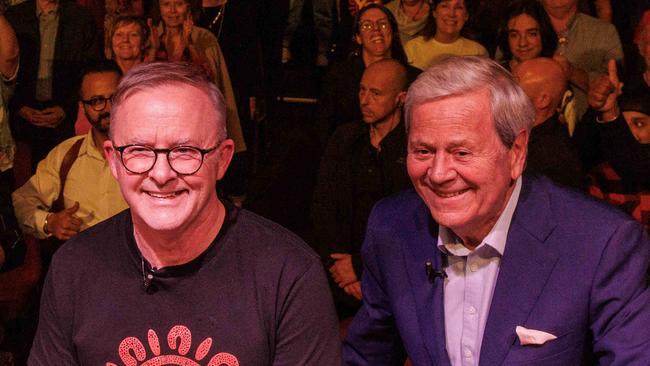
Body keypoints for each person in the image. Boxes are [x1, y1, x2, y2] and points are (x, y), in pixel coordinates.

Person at [343, 56, 650, 365]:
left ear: (516, 152)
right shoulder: (392, 227)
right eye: (423, 151)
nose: (437, 174)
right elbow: (366, 356)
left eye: (461, 152)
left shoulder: (603, 243)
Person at [28, 62, 340, 364]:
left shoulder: (289, 275)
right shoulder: (74, 268)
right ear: (113, 160)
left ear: (222, 159)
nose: (161, 173)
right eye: (139, 150)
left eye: (185, 151)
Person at [312, 59, 412, 318]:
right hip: (339, 272)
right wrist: (343, 269)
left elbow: (408, 221)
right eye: (362, 90)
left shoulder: (414, 147)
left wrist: (359, 267)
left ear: (401, 98)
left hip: (394, 277)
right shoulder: (345, 138)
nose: (365, 100)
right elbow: (323, 205)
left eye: (375, 93)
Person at [12, 61, 128, 242]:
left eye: (114, 98)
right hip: (83, 263)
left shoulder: (150, 153)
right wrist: (49, 222)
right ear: (82, 107)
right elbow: (21, 201)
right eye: (97, 101)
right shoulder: (66, 155)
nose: (108, 108)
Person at [6, 0, 100, 170]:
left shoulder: (81, 19)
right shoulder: (14, 17)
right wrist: (18, 105)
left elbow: (91, 69)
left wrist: (66, 106)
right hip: (20, 116)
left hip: (66, 116)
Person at [150, 0, 246, 155]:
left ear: (189, 7)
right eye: (166, 4)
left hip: (195, 119)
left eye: (179, 4)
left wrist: (190, 45)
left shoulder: (203, 37)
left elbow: (211, 81)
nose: (172, 11)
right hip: (158, 120)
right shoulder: (152, 37)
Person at [316, 3, 419, 145]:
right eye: (367, 26)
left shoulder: (414, 79)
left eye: (382, 24)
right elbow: (324, 127)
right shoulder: (339, 77)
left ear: (393, 32)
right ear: (358, 37)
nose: (376, 30)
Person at [541, 0, 623, 120]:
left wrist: (574, 74)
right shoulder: (519, 30)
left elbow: (615, 88)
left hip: (590, 127)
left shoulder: (604, 32)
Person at [512, 57, 584, 189]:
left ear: (543, 100)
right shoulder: (518, 135)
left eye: (514, 87)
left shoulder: (554, 158)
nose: (504, 93)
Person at [403, 0, 487, 71]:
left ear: (466, 16)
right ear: (434, 12)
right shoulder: (412, 47)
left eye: (459, 8)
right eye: (445, 6)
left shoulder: (478, 52)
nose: (451, 14)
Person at [497, 0, 557, 71]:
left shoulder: (556, 71)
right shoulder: (497, 75)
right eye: (514, 35)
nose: (523, 43)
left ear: (544, 35)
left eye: (531, 34)